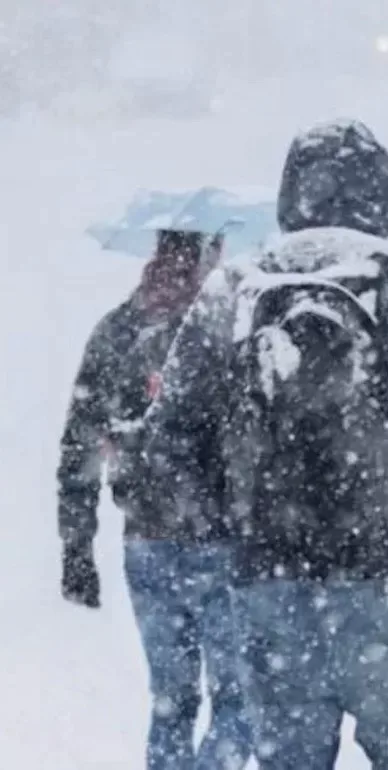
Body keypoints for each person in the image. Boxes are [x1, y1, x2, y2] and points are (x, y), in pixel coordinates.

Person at [142, 118, 388, 769]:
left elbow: (168, 442)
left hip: (271, 590)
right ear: (384, 196)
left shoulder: (231, 293)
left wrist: (237, 517)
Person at [57, 229, 252, 769]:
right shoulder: (229, 328)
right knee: (237, 701)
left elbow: (78, 446)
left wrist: (77, 547)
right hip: (223, 540)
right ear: (210, 253)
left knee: (172, 701)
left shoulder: (118, 330)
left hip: (146, 541)